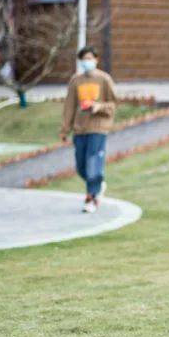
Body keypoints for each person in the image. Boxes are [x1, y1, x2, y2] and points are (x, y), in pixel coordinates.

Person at [60, 47, 117, 213]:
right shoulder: (76, 81)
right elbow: (69, 106)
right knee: (81, 166)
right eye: (84, 59)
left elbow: (113, 104)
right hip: (80, 128)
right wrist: (65, 129)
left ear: (96, 60)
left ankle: (91, 197)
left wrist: (98, 106)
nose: (87, 62)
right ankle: (98, 184)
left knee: (93, 162)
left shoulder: (104, 79)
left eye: (90, 58)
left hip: (98, 128)